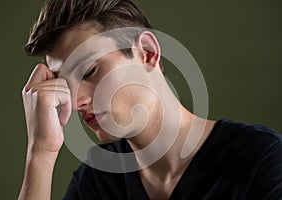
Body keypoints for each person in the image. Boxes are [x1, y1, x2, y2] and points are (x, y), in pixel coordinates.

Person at [18, 0, 282, 199]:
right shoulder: (98, 181)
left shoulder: (260, 159)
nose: (76, 103)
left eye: (90, 72)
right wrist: (41, 153)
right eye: (65, 86)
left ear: (147, 52)